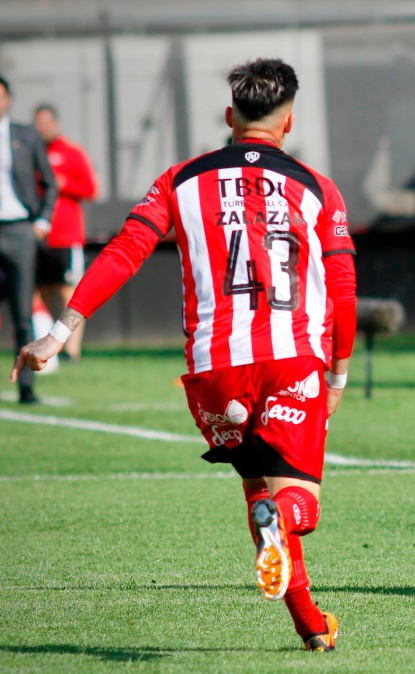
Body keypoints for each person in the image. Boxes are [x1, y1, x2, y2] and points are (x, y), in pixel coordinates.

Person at [11, 58, 356, 651]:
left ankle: (312, 628)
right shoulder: (317, 188)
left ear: (229, 117)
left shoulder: (179, 178)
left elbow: (124, 251)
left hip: (213, 369)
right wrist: (339, 374)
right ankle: (285, 525)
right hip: (291, 357)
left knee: (257, 490)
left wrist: (59, 333)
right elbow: (344, 290)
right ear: (289, 122)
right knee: (298, 504)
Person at [0, 75, 58, 403]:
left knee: (23, 312)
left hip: (20, 229)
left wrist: (42, 222)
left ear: (9, 99)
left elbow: (49, 183)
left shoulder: (25, 135)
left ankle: (26, 387)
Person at [33, 104, 99, 362]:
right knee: (45, 289)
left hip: (66, 236)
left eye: (46, 122)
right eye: (38, 123)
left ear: (55, 123)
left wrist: (65, 184)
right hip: (41, 236)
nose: (42, 128)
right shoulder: (33, 154)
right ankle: (54, 344)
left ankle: (73, 349)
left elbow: (91, 189)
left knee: (69, 292)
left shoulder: (71, 153)